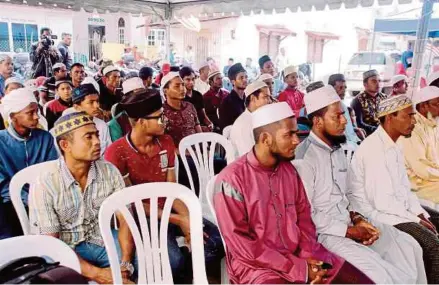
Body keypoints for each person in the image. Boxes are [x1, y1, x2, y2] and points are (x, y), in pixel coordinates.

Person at [213, 102, 374, 284]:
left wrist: (307, 259)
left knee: (360, 281)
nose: (297, 140)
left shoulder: (289, 172)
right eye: (289, 135)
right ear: (266, 139)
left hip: (302, 254)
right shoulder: (231, 180)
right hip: (259, 268)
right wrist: (299, 268)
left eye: (296, 133)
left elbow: (305, 221)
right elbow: (243, 246)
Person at [294, 86, 426, 284]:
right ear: (317, 121)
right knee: (382, 276)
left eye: (343, 114)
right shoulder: (304, 158)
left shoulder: (338, 149)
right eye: (337, 116)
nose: (345, 121)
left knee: (409, 246)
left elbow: (349, 194)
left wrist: (358, 219)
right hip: (328, 236)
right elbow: (307, 215)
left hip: (351, 224)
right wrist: (349, 231)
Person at [105, 89, 224, 283]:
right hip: (142, 218)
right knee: (173, 262)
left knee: (216, 242)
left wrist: (188, 218)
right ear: (142, 122)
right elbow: (130, 203)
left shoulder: (166, 142)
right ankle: (180, 268)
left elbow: (172, 189)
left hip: (168, 210)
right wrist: (179, 220)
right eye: (160, 117)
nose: (165, 120)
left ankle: (186, 269)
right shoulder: (117, 152)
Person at [29, 112, 136, 284]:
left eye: (97, 135)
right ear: (65, 145)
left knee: (139, 261)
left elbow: (125, 219)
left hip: (101, 239)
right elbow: (51, 244)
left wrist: (125, 263)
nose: (97, 142)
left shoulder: (109, 171)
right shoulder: (45, 183)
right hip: (65, 250)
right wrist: (99, 274)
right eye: (88, 137)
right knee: (60, 277)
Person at [347, 95, 439, 284]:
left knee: (436, 219)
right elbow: (382, 202)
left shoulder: (393, 145)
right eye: (408, 116)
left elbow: (405, 190)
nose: (413, 121)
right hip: (379, 215)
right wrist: (416, 220)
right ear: (390, 118)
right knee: (433, 245)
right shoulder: (374, 149)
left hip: (399, 210)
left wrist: (419, 213)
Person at [0, 88, 58, 239]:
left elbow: (52, 171)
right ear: (13, 117)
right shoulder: (1, 142)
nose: (36, 117)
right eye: (30, 113)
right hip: (10, 203)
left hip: (46, 198)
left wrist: (39, 198)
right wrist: (27, 199)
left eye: (37, 111)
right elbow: (3, 184)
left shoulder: (45, 138)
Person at [398, 86, 439, 204]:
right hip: (416, 184)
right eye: (437, 104)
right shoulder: (412, 128)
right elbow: (421, 169)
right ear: (424, 106)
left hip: (431, 179)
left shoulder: (433, 124)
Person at [63, 83, 112, 156]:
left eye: (97, 101)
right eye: (91, 102)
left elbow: (108, 153)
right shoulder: (67, 127)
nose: (97, 106)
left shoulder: (102, 126)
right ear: (77, 107)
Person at [230, 80, 272, 156]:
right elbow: (249, 157)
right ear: (253, 98)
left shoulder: (260, 118)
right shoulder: (243, 124)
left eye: (270, 97)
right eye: (266, 97)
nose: (270, 101)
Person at [162, 72, 202, 147]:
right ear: (165, 91)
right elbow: (162, 144)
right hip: (177, 156)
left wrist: (204, 146)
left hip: (197, 152)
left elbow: (198, 129)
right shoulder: (161, 112)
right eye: (177, 86)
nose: (182, 89)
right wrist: (184, 153)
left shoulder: (189, 106)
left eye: (183, 85)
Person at [350, 70, 387, 136]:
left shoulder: (384, 97)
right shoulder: (357, 100)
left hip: (385, 133)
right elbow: (359, 123)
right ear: (365, 84)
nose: (378, 84)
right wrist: (379, 131)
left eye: (379, 81)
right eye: (374, 81)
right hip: (369, 136)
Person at [328, 74, 361, 144]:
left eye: (345, 87)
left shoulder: (342, 105)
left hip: (353, 141)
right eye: (340, 88)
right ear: (330, 89)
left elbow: (348, 129)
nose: (344, 90)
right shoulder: (328, 107)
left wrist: (355, 129)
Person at [219, 63, 248, 129]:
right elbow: (226, 129)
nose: (245, 80)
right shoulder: (226, 103)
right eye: (241, 78)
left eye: (246, 77)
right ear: (233, 82)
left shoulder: (249, 99)